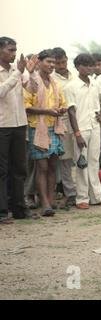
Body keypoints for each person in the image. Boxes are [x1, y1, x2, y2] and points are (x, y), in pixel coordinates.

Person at [64, 53, 101, 209]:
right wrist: (77, 134)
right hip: (81, 128)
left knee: (93, 161)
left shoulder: (95, 83)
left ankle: (97, 196)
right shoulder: (70, 86)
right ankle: (82, 198)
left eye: (91, 65)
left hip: (95, 127)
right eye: (86, 65)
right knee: (81, 163)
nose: (90, 68)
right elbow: (71, 111)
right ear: (78, 67)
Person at [24, 49, 68, 217]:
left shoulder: (55, 82)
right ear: (39, 62)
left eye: (54, 63)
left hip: (54, 127)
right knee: (41, 166)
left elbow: (62, 102)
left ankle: (49, 201)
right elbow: (26, 106)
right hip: (37, 128)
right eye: (48, 62)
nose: (51, 65)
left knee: (52, 166)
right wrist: (47, 111)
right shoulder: (31, 81)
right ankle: (43, 203)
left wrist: (61, 109)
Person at [0, 37, 38, 222]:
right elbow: (1, 92)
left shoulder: (17, 70)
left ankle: (19, 209)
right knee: (2, 170)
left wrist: (30, 73)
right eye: (10, 50)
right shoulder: (14, 72)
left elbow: (31, 89)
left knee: (19, 168)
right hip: (2, 125)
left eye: (15, 50)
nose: (14, 54)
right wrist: (20, 74)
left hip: (19, 124)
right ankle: (2, 211)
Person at [52, 47, 77, 208]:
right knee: (66, 159)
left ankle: (83, 192)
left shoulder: (75, 75)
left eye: (63, 61)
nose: (61, 65)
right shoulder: (53, 79)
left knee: (81, 157)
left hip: (82, 119)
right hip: (65, 121)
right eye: (58, 63)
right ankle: (70, 193)